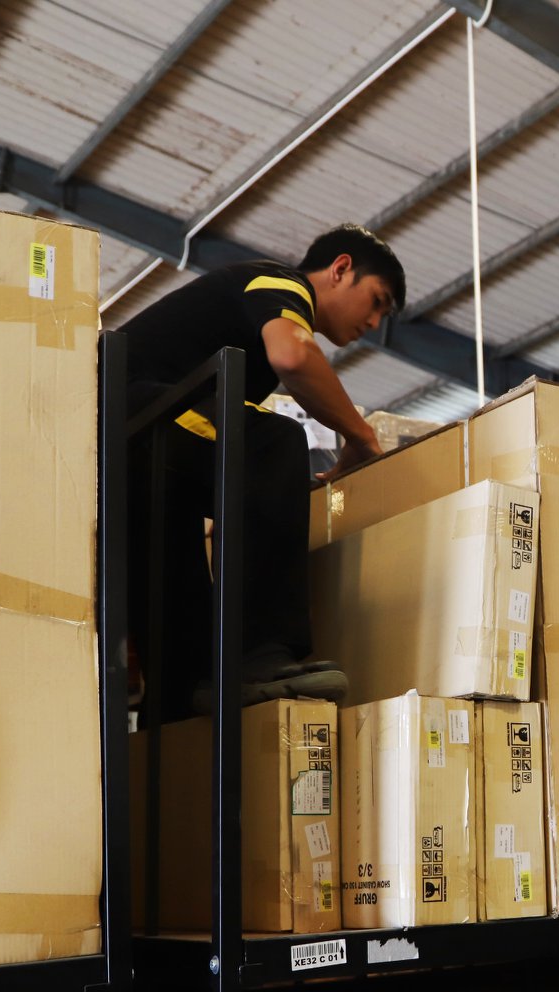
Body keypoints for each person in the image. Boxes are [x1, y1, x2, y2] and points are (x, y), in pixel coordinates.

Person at [117, 224, 403, 720]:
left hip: (125, 436)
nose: (375, 323)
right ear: (340, 269)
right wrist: (361, 437)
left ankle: (181, 698)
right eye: (377, 301)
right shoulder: (280, 283)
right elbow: (293, 354)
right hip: (131, 410)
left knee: (174, 538)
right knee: (274, 444)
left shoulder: (250, 328)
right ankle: (261, 653)